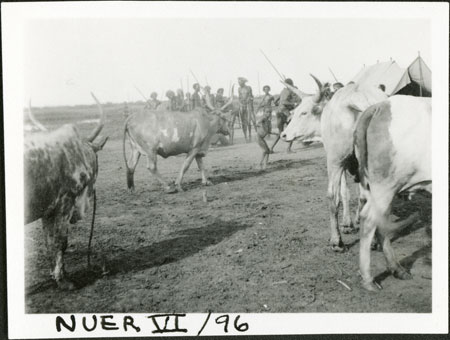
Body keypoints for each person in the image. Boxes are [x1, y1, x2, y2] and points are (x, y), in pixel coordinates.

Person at [271, 78, 300, 153]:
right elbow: (284, 101)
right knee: (292, 129)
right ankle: (288, 149)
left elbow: (275, 102)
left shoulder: (282, 91)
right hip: (285, 112)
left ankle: (271, 148)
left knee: (280, 132)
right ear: (291, 85)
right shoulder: (288, 91)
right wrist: (293, 104)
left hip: (278, 112)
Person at [236, 77, 255, 143]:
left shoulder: (248, 88)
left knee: (249, 121)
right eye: (238, 82)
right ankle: (245, 137)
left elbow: (251, 96)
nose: (239, 83)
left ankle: (250, 135)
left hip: (248, 104)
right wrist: (240, 102)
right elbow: (239, 97)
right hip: (242, 104)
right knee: (243, 122)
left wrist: (248, 100)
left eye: (240, 82)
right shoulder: (239, 89)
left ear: (243, 82)